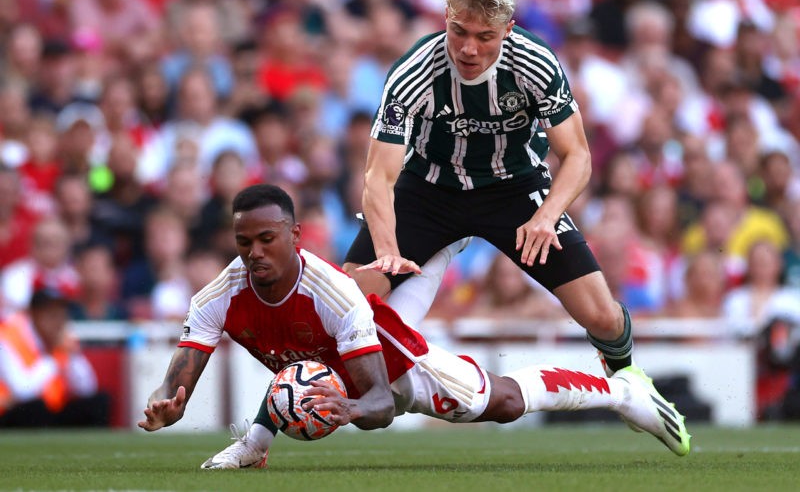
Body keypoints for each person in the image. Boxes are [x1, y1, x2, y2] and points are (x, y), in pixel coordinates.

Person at [137, 184, 690, 469]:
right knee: (300, 371)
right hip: (340, 367)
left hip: (389, 360)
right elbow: (191, 377)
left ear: (295, 235)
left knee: (496, 404)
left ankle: (621, 391)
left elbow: (378, 404)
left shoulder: (334, 295)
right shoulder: (217, 296)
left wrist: (344, 410)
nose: (254, 253)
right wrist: (168, 401)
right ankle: (252, 447)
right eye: (243, 243)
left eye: (267, 240)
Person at [342, 0, 674, 405]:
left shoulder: (534, 63)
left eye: (485, 36)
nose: (468, 48)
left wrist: (546, 216)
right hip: (427, 190)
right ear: (445, 16)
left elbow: (578, 157)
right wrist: (386, 250)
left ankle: (631, 383)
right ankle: (348, 395)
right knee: (351, 300)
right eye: (459, 30)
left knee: (602, 316)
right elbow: (378, 177)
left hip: (514, 189)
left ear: (508, 30)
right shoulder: (413, 73)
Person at [0, 287, 110, 428]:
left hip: (51, 411)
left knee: (99, 402)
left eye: (61, 314)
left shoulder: (62, 340)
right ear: (33, 315)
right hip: (13, 413)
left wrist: (73, 356)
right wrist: (53, 359)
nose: (58, 321)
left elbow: (87, 389)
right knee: (35, 408)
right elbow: (22, 390)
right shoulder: (8, 338)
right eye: (51, 314)